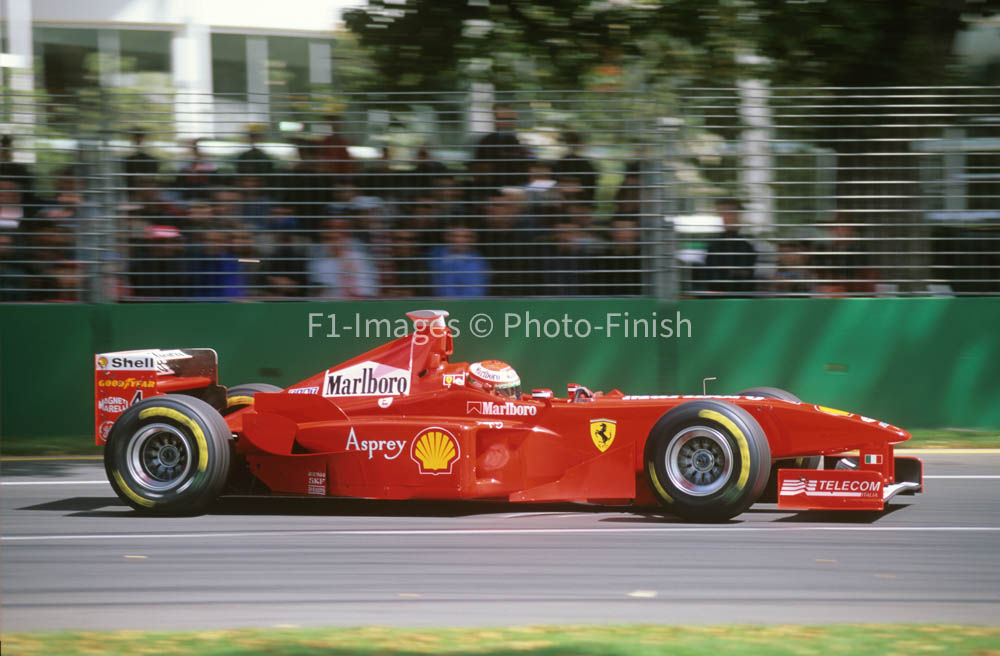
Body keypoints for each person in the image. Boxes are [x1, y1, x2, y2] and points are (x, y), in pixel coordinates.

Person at [308, 217, 378, 299]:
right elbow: (318, 298)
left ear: (346, 239)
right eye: (328, 239)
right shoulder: (320, 266)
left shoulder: (360, 259)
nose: (333, 244)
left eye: (337, 238)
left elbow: (370, 289)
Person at [701, 198, 757, 296]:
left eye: (729, 213)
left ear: (738, 216)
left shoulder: (747, 245)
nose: (724, 217)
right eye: (721, 213)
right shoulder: (712, 245)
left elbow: (746, 275)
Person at [427, 221, 491, 297]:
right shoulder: (434, 255)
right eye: (454, 236)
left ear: (474, 239)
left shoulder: (477, 263)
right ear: (445, 236)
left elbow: (474, 294)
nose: (459, 240)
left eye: (466, 236)